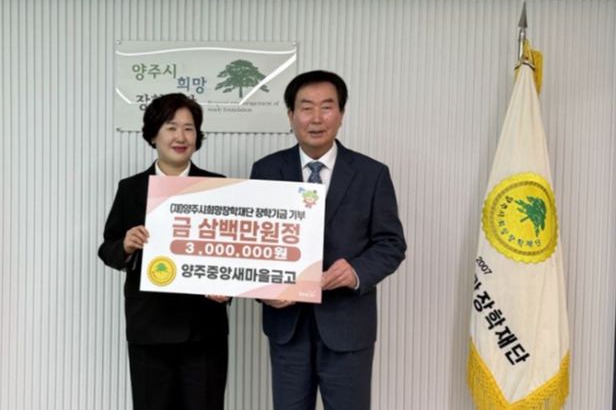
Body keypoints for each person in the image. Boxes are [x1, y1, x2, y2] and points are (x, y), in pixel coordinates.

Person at [250, 70, 406, 410]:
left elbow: (391, 243)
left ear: (341, 114)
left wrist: (356, 272)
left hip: (348, 327)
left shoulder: (372, 174)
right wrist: (265, 290)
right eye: (306, 108)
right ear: (291, 115)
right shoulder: (266, 171)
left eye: (327, 107)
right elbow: (254, 245)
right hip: (287, 328)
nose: (316, 118)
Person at [98, 93, 229, 410]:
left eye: (189, 128)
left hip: (203, 330)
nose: (181, 137)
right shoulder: (131, 188)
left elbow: (233, 254)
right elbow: (108, 248)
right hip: (149, 328)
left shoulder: (219, 186)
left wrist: (228, 286)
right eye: (171, 127)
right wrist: (126, 245)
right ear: (153, 134)